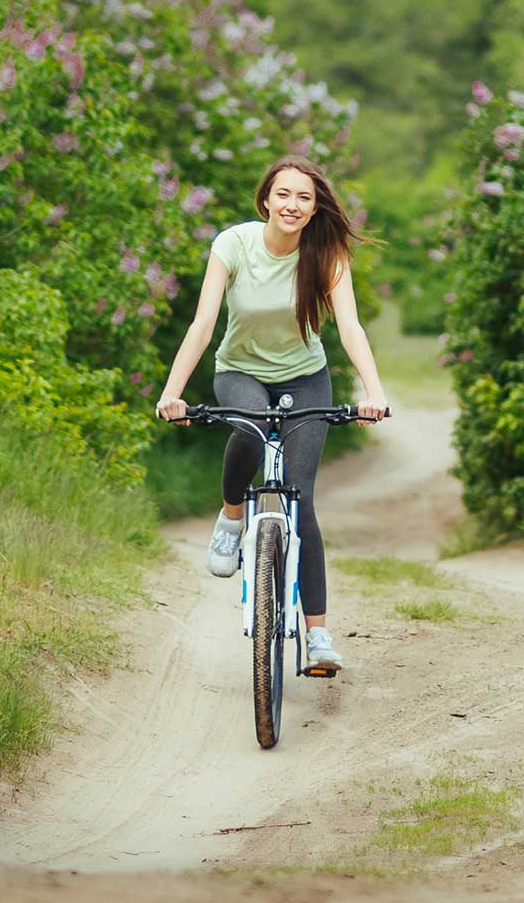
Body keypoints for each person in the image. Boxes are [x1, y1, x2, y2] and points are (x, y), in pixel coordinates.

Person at [155, 155, 388, 672]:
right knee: (251, 428)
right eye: (284, 194)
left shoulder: (326, 254)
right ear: (266, 199)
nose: (293, 205)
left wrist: (374, 391)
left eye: (304, 198)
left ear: (313, 209)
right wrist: (172, 394)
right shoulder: (233, 245)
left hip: (306, 378)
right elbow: (202, 325)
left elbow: (350, 328)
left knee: (301, 502)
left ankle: (319, 637)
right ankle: (233, 515)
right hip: (239, 371)